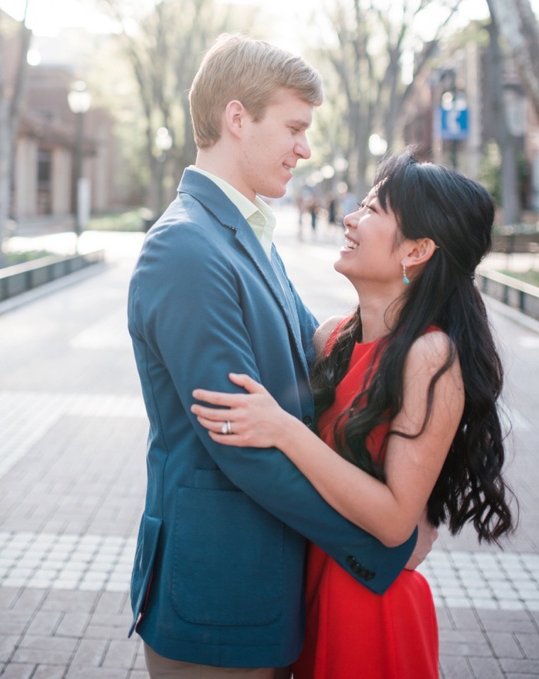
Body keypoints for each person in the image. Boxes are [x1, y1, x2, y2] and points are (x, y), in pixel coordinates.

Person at [126, 34, 422, 678]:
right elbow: (239, 438)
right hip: (217, 599)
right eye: (293, 127)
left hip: (270, 587)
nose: (304, 148)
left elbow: (322, 354)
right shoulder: (185, 247)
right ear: (238, 118)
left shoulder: (248, 233)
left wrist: (430, 344)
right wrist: (373, 544)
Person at [192, 152, 514, 679]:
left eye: (371, 209)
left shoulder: (429, 358)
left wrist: (285, 432)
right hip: (312, 591)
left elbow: (393, 523)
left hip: (371, 607)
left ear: (417, 249)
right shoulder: (332, 340)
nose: (349, 218)